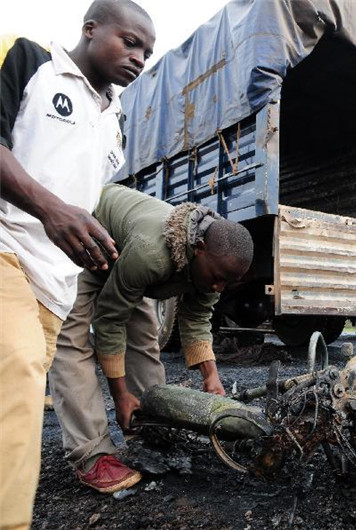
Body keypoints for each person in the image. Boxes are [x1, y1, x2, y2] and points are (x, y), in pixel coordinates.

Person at [0, 3, 154, 527]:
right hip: (7, 249)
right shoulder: (27, 59)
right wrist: (49, 210)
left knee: (11, 404)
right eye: (130, 41)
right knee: (19, 378)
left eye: (147, 53)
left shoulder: (115, 122)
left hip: (55, 283)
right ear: (90, 29)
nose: (138, 58)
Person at [49, 184, 254, 493]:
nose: (220, 288)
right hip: (85, 241)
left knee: (144, 340)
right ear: (198, 248)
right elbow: (108, 320)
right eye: (218, 278)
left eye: (229, 282)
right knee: (72, 339)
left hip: (126, 257)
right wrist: (120, 396)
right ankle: (92, 454)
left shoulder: (212, 262)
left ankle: (150, 429)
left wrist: (211, 378)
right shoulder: (153, 253)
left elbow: (197, 320)